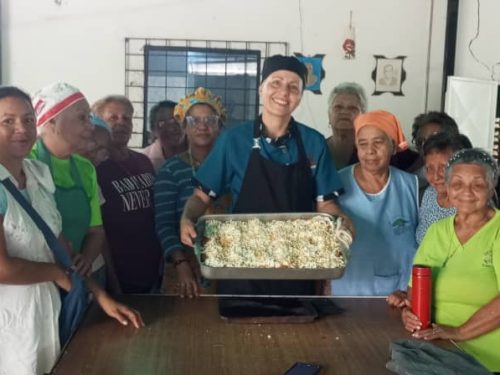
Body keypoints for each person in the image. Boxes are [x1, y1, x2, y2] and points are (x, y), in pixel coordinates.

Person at [180, 55, 352, 298]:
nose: (284, 92)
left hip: (298, 266)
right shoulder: (234, 141)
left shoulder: (313, 143)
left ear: (300, 96)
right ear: (261, 89)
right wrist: (187, 217)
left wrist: (341, 220)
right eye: (276, 83)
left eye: (293, 87)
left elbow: (326, 204)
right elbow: (201, 196)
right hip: (240, 265)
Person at [0, 86, 143, 374]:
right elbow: (2, 268)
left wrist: (100, 296)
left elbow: (60, 245)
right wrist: (56, 274)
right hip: (12, 315)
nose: (22, 129)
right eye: (8, 121)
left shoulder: (38, 177)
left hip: (49, 308)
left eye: (28, 119)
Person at [395, 148, 500, 372]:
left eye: (478, 184)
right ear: (449, 188)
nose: (467, 192)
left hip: (487, 360)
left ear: (491, 188)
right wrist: (411, 314)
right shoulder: (437, 231)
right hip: (438, 349)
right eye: (458, 184)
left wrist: (459, 332)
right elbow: (416, 285)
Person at [331, 110, 418, 296]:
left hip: (400, 297)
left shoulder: (413, 186)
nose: (370, 151)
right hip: (347, 293)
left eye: (378, 142)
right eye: (363, 144)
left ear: (393, 146)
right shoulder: (335, 184)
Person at [154, 87, 230, 298]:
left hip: (230, 264)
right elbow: (164, 225)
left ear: (220, 126)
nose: (202, 126)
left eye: (210, 120)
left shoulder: (232, 168)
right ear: (184, 127)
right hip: (185, 269)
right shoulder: (171, 170)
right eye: (194, 121)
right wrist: (182, 265)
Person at [30, 82, 105, 277]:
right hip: (36, 277)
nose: (90, 126)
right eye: (82, 118)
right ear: (51, 121)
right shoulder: (26, 163)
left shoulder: (85, 168)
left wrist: (85, 260)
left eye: (89, 117)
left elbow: (95, 230)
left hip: (77, 277)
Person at [92, 95, 162, 293]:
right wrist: (112, 280)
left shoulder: (143, 161)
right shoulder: (95, 168)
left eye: (127, 118)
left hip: (151, 265)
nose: (121, 123)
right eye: (113, 118)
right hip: (118, 269)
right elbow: (98, 229)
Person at [415, 132, 472, 245]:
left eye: (444, 167)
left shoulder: (474, 206)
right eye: (429, 168)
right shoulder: (430, 194)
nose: (436, 176)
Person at [325, 82, 366, 170]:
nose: (344, 112)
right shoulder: (317, 149)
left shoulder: (371, 152)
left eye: (352, 108)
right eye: (338, 107)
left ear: (363, 116)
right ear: (329, 114)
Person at [142, 100, 188, 172]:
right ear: (153, 130)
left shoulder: (200, 155)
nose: (172, 128)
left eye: (177, 120)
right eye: (163, 123)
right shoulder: (143, 160)